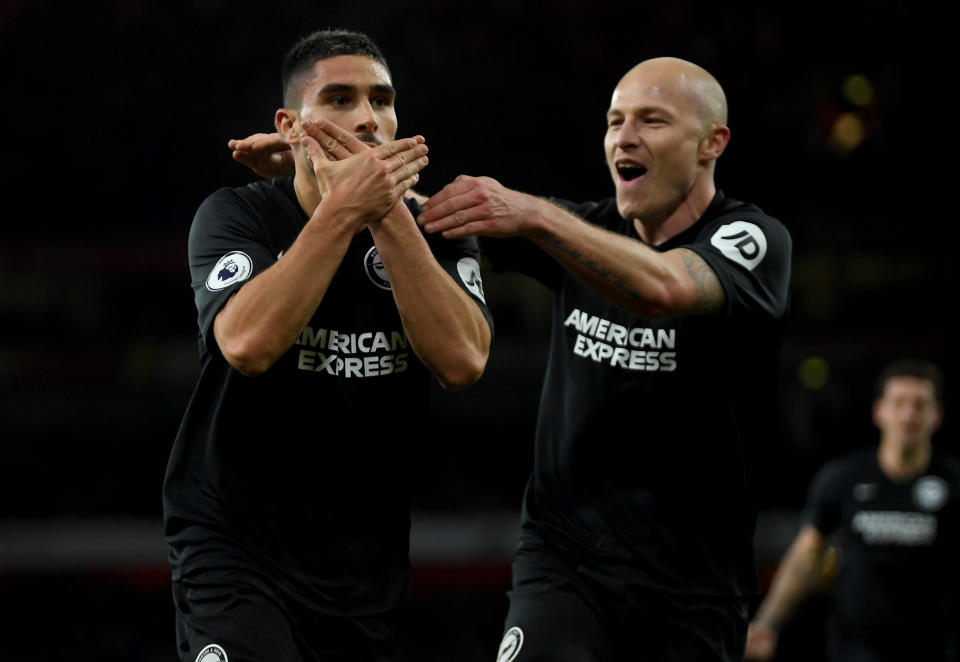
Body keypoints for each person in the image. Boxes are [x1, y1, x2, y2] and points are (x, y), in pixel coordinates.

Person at [233, 56, 792, 661]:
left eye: (651, 122)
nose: (624, 138)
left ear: (714, 141)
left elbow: (666, 289)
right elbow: (422, 215)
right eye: (614, 121)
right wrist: (323, 166)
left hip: (695, 584)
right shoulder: (577, 230)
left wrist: (535, 213)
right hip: (565, 563)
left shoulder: (753, 239)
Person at [163, 28, 492, 662]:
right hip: (234, 548)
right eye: (339, 99)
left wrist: (384, 211)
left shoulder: (436, 229)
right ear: (290, 124)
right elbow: (247, 344)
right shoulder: (237, 216)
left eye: (382, 100)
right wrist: (344, 209)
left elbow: (462, 362)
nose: (368, 119)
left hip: (363, 566)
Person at [745, 359, 960, 662]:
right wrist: (767, 623)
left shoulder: (954, 483)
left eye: (920, 404)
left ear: (936, 416)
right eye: (899, 402)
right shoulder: (843, 478)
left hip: (931, 647)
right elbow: (806, 558)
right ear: (879, 412)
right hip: (856, 647)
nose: (909, 414)